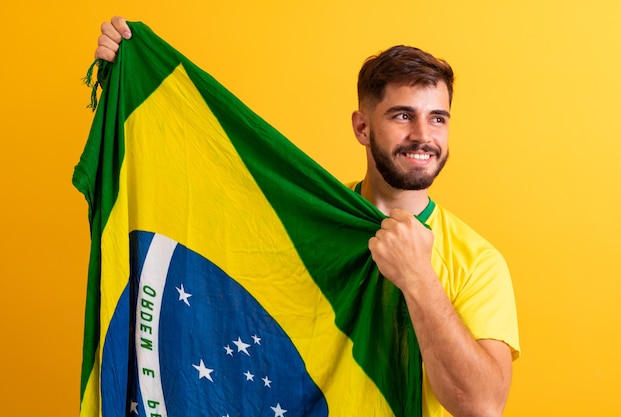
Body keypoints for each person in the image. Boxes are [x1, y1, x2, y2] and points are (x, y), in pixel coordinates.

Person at [95, 16, 520, 417]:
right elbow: (208, 270)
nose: (423, 136)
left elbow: (482, 406)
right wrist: (131, 77)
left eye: (438, 119)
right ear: (362, 128)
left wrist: (418, 278)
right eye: (402, 115)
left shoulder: (478, 263)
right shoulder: (308, 226)